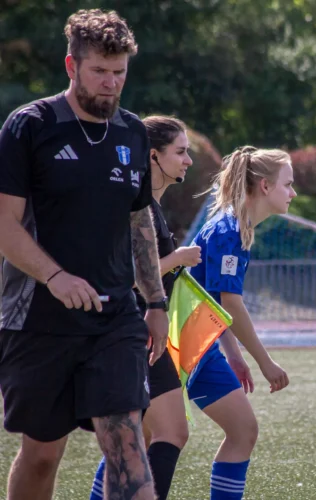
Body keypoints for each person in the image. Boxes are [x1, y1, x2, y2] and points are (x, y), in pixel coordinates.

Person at [0, 9, 169, 500]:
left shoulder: (133, 133)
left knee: (128, 446)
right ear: (72, 66)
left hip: (115, 319)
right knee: (42, 454)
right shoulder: (30, 127)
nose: (111, 83)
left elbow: (139, 222)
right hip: (37, 320)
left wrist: (154, 302)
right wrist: (56, 277)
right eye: (99, 71)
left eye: (119, 72)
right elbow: (4, 225)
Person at [90, 115, 201, 500]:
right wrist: (179, 258)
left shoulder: (150, 205)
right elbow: (128, 274)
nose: (188, 160)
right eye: (180, 152)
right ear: (153, 155)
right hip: (129, 331)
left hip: (143, 334)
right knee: (166, 433)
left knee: (144, 437)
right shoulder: (136, 204)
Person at [186, 146, 296, 499]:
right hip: (182, 346)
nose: (293, 193)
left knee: (243, 431)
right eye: (288, 184)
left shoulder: (237, 227)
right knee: (142, 440)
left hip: (199, 345)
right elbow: (231, 303)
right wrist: (265, 362)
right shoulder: (229, 231)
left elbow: (215, 301)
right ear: (265, 186)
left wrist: (232, 354)